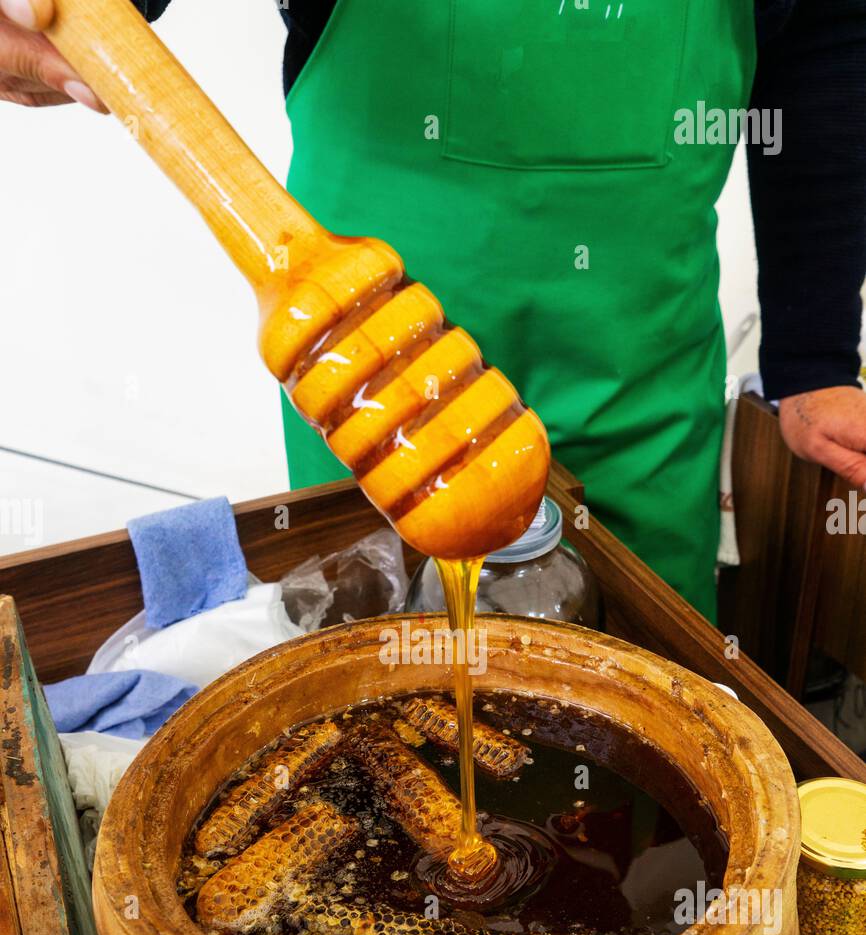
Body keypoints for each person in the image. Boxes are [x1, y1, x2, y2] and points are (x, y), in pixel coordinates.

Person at [2, 0, 865, 619]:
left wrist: (813, 359)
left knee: (649, 696)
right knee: (373, 648)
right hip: (370, 366)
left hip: (639, 368)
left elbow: (826, 51)